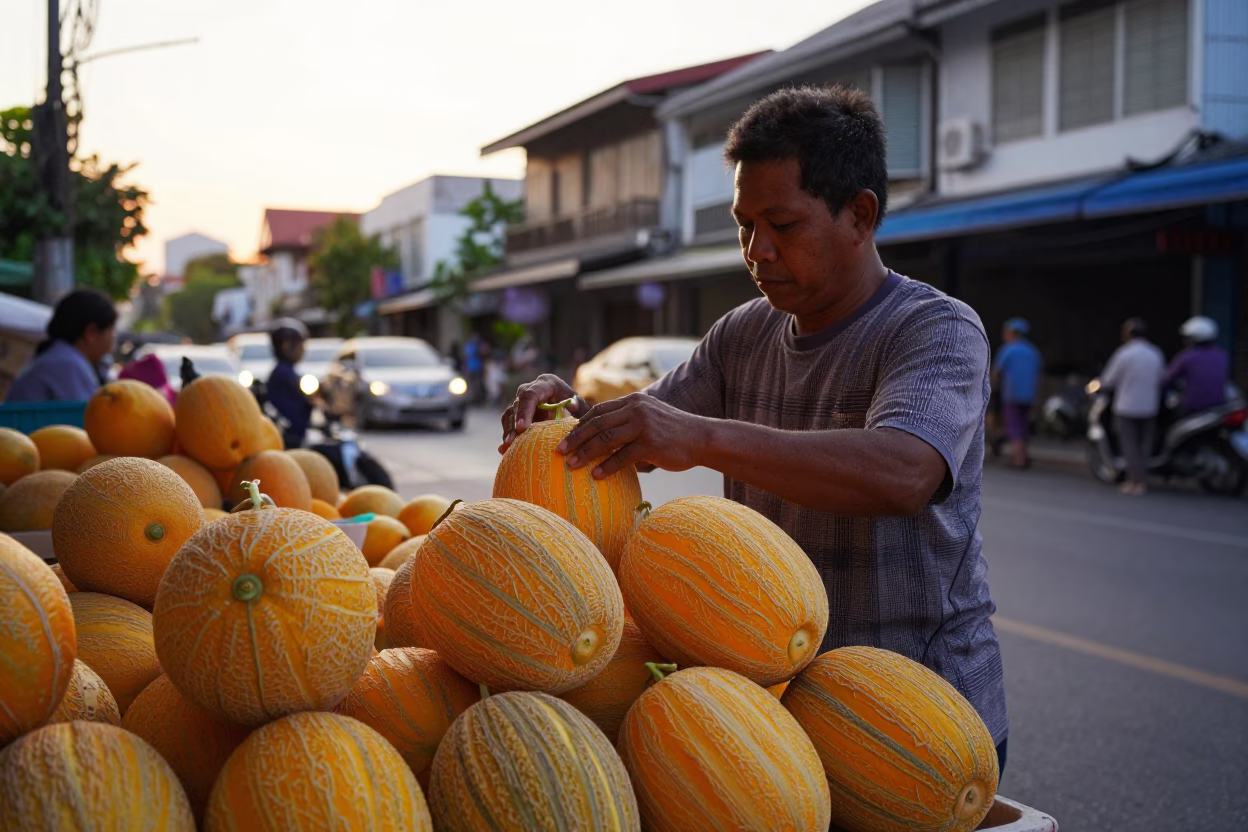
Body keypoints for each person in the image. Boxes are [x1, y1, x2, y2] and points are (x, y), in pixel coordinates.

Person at [500, 85, 1008, 771]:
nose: (756, 250)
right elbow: (645, 430)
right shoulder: (743, 333)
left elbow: (906, 471)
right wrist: (568, 413)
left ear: (860, 215)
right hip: (774, 712)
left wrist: (705, 437)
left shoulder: (935, 328)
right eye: (744, 226)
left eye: (783, 224)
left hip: (918, 719)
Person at [7, 288, 117, 402]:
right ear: (91, 333)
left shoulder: (58, 356)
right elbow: (89, 416)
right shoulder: (67, 364)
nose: (114, 337)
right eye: (111, 330)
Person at [1099, 318, 1165, 496]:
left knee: (1130, 445)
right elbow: (1162, 378)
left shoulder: (1124, 354)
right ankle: (1142, 479)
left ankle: (1134, 481)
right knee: (1145, 445)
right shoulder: (1155, 353)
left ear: (1128, 334)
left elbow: (1109, 380)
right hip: (1150, 407)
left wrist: (1100, 385)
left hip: (1127, 407)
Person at [991, 318, 1043, 469]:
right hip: (1030, 395)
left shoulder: (1008, 349)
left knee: (1014, 425)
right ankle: (1023, 455)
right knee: (1023, 426)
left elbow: (997, 372)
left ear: (1012, 333)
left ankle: (1019, 460)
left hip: (1012, 394)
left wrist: (991, 388)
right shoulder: (1033, 351)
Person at [1163, 316, 1229, 414]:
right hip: (1218, 406)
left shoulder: (1187, 356)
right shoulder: (1222, 355)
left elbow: (1169, 378)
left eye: (1188, 338)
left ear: (1194, 338)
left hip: (1193, 407)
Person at [265, 318, 313, 449]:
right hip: (290, 440)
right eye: (300, 345)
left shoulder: (287, 371)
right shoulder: (283, 373)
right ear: (286, 346)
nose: (303, 350)